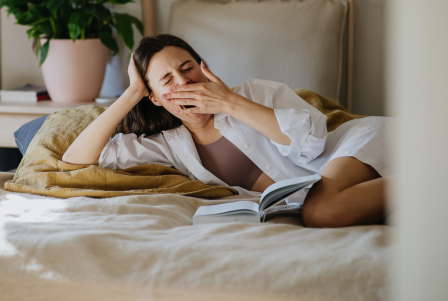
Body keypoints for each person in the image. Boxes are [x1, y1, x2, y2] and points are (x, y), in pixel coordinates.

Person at [62, 34, 393, 228]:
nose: (183, 82)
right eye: (167, 82)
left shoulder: (253, 93)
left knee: (322, 211)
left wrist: (231, 103)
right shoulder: (168, 146)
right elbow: (76, 161)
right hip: (329, 188)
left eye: (187, 68)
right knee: (324, 209)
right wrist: (132, 93)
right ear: (155, 99)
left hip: (356, 145)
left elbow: (313, 142)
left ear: (203, 68)